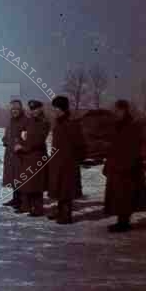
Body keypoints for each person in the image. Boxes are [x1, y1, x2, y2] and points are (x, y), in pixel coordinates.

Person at [103, 100, 146, 232]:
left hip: (127, 168)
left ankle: (124, 223)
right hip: (116, 167)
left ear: (125, 110)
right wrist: (108, 165)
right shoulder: (116, 126)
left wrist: (127, 166)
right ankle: (121, 221)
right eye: (116, 110)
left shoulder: (133, 126)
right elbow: (113, 147)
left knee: (126, 195)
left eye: (119, 110)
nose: (116, 113)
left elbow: (134, 148)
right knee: (118, 196)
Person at [47, 96, 86, 224]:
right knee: (59, 187)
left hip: (68, 162)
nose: (55, 111)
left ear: (62, 108)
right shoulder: (59, 122)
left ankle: (66, 214)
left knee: (66, 189)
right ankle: (60, 211)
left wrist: (75, 160)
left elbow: (80, 144)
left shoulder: (71, 123)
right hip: (58, 161)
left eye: (56, 108)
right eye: (54, 108)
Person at [14, 100, 50, 216]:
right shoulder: (29, 121)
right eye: (31, 109)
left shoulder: (44, 122)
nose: (33, 111)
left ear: (41, 109)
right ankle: (26, 206)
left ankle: (38, 208)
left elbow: (38, 141)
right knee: (26, 182)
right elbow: (20, 133)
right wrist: (17, 142)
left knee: (36, 184)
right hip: (27, 156)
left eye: (35, 109)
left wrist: (23, 146)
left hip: (37, 156)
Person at [2, 100, 26, 210]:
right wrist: (5, 139)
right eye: (12, 110)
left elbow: (27, 137)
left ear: (20, 109)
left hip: (20, 153)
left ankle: (21, 200)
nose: (14, 111)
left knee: (19, 176)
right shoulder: (11, 121)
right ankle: (15, 198)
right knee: (12, 176)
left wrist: (20, 145)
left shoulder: (25, 121)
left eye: (16, 109)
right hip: (10, 152)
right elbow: (8, 134)